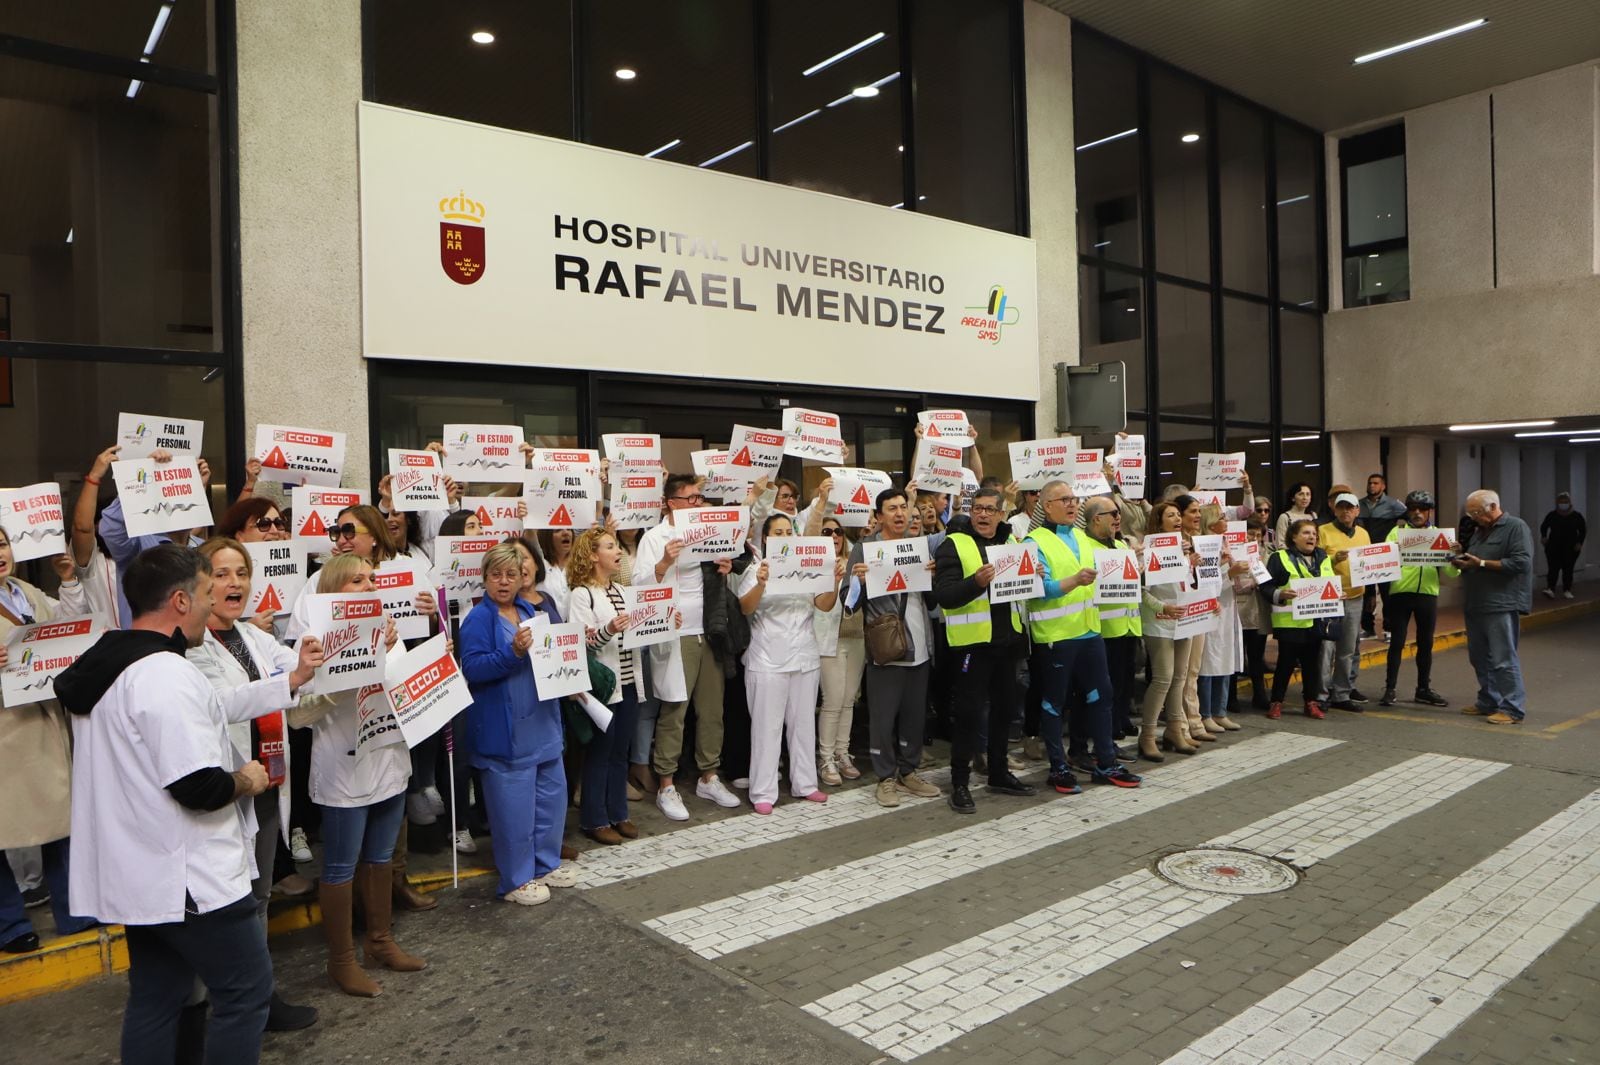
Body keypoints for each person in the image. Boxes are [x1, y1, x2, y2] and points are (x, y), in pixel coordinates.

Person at [57, 545, 273, 1064]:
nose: (211, 604)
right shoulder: (166, 674)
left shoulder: (107, 665)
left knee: (157, 998)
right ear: (179, 600)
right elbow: (198, 787)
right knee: (246, 992)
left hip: (141, 875)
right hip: (189, 877)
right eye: (205, 592)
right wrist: (244, 779)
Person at [187, 537, 322, 1030]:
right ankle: (214, 1004)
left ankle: (259, 998)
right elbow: (229, 699)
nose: (235, 583)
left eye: (241, 573)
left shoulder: (252, 636)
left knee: (259, 895)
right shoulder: (192, 646)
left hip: (267, 782)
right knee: (224, 904)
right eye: (222, 574)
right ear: (200, 584)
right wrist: (292, 678)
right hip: (225, 788)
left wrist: (312, 653)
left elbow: (294, 670)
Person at [288, 553, 421, 997]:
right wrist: (337, 682)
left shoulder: (389, 631)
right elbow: (296, 717)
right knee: (342, 867)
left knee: (381, 858)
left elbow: (405, 691)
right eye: (355, 581)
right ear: (331, 592)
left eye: (371, 579)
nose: (368, 586)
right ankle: (341, 961)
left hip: (388, 760)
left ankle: (380, 941)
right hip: (344, 768)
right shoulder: (312, 640)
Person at [460, 543, 579, 903]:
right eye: (496, 574)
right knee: (513, 811)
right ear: (484, 578)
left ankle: (546, 864)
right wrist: (511, 654)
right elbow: (473, 669)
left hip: (543, 724)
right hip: (505, 731)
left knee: (551, 800)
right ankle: (515, 880)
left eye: (511, 574)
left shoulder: (530, 609)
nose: (503, 581)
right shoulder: (478, 619)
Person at [0, 537, 97, 956]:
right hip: (7, 730)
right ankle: (9, 923)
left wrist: (67, 579)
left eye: (1, 543)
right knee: (5, 828)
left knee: (61, 821)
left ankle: (74, 911)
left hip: (46, 720)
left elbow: (70, 626)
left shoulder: (26, 592)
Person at [633, 474, 742, 821]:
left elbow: (730, 565)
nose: (698, 503)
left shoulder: (709, 530)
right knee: (675, 710)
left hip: (710, 629)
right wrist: (664, 562)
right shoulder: (654, 537)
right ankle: (666, 783)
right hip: (674, 634)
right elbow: (638, 586)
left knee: (712, 710)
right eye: (691, 498)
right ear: (671, 503)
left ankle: (708, 776)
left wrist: (725, 567)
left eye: (699, 498)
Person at [1023, 486, 1141, 794]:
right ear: (1047, 507)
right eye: (1065, 500)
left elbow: (1103, 579)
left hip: (1090, 632)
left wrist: (1132, 565)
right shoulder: (1034, 541)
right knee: (1055, 704)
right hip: (1056, 636)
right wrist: (1074, 580)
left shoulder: (1081, 538)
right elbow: (1038, 589)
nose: (1072, 504)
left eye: (1075, 500)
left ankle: (1105, 761)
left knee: (1102, 695)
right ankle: (1058, 767)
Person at [932, 485, 1037, 814]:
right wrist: (975, 583)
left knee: (1005, 711)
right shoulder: (955, 544)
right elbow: (944, 596)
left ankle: (998, 773)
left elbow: (1022, 588)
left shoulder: (1011, 542)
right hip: (971, 647)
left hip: (1007, 644)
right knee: (968, 715)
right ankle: (960, 782)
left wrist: (1035, 574)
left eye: (990, 509)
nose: (982, 514)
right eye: (977, 508)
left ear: (1001, 513)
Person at [736, 513, 844, 813]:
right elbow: (745, 608)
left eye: (788, 531)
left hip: (804, 656)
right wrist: (761, 583)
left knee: (803, 725)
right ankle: (763, 792)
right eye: (778, 532)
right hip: (767, 658)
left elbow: (824, 604)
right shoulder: (758, 568)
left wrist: (833, 582)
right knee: (766, 728)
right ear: (767, 538)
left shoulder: (808, 565)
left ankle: (806, 784)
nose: (785, 535)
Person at [843, 486, 943, 808]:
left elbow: (931, 600)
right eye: (892, 509)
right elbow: (848, 603)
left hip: (920, 644)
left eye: (903, 507)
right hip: (886, 647)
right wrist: (857, 581)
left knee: (915, 715)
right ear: (879, 515)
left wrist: (933, 576)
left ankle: (908, 771)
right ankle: (885, 777)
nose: (900, 514)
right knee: (884, 717)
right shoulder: (865, 548)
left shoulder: (918, 547)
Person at [567, 529, 659, 843]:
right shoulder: (582, 594)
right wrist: (607, 630)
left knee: (620, 752)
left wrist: (662, 622)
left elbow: (639, 631)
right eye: (610, 546)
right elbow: (581, 642)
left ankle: (618, 814)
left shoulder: (622, 590)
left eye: (617, 545)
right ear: (592, 556)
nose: (617, 550)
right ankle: (594, 819)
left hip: (630, 682)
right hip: (605, 688)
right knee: (600, 753)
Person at [1453, 490, 1535, 724]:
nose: (1473, 517)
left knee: (1503, 658)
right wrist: (1463, 557)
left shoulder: (1516, 527)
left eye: (1476, 512)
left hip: (1500, 603)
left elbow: (1521, 562)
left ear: (1492, 507)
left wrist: (1482, 563)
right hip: (1476, 602)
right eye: (1470, 513)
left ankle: (1512, 708)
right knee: (1479, 657)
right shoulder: (1480, 531)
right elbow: (1477, 563)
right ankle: (1488, 700)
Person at [1379, 492, 1457, 708]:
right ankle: (1390, 689)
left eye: (1422, 509)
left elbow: (1451, 573)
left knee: (1426, 643)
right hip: (1400, 594)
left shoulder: (1439, 535)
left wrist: (1453, 558)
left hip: (1427, 594)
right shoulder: (1397, 532)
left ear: (1429, 511)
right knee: (1397, 643)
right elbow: (1384, 564)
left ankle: (1423, 689)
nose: (1417, 513)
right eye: (1412, 509)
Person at [1137, 501, 1194, 759]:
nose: (1177, 518)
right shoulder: (1149, 550)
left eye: (1178, 514)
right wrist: (1163, 606)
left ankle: (1174, 729)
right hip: (1159, 620)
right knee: (1162, 678)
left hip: (1185, 619)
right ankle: (1147, 735)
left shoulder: (1184, 549)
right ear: (1159, 522)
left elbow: (1186, 585)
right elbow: (1142, 590)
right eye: (1170, 515)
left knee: (1179, 677)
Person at [1262, 519, 1332, 719]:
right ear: (1294, 537)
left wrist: (1336, 594)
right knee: (1285, 664)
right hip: (1290, 622)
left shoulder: (1322, 556)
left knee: (1312, 665)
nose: (1312, 537)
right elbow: (1265, 587)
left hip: (1315, 621)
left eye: (1314, 533)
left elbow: (1328, 583)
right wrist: (1280, 594)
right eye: (1306, 533)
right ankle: (1276, 702)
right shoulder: (1280, 557)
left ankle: (1311, 702)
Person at [814, 510, 864, 786]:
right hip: (827, 639)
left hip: (856, 637)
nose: (833, 536)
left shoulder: (855, 558)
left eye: (838, 532)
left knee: (848, 700)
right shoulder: (813, 564)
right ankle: (826, 758)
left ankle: (843, 753)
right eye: (826, 532)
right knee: (832, 701)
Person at [1085, 498, 1141, 738]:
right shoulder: (1086, 547)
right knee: (1111, 682)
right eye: (1113, 514)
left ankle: (1121, 717)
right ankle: (1110, 726)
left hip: (1129, 626)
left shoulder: (1120, 546)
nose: (1118, 518)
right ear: (1097, 518)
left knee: (1126, 679)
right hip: (1105, 628)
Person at [1317, 489, 1370, 712]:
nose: (1346, 511)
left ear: (1357, 510)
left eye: (1350, 507)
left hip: (1355, 596)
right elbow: (1314, 562)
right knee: (1325, 648)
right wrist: (1332, 558)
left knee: (1348, 649)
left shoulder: (1363, 534)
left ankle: (1341, 694)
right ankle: (1321, 694)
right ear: (1334, 509)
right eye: (1341, 507)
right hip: (1330, 598)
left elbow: (1371, 564)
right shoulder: (1322, 531)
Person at [1358, 474, 1406, 638]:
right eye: (1369, 483)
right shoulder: (1359, 504)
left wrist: (1402, 539)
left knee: (1387, 594)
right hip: (1365, 555)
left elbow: (1411, 519)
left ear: (1383, 486)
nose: (1372, 485)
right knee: (1367, 594)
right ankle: (1368, 628)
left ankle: (1389, 629)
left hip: (1385, 555)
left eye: (1375, 483)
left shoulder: (1394, 504)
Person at [1539, 492, 1586, 599]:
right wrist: (1544, 536)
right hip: (1554, 546)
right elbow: (1544, 526)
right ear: (1557, 503)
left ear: (1569, 503)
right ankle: (1550, 589)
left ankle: (1567, 589)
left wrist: (1580, 543)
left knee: (1568, 569)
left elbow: (1583, 531)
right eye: (1561, 502)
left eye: (1565, 502)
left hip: (1570, 547)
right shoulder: (1552, 515)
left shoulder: (1576, 516)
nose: (1563, 504)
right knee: (1553, 568)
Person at [1274, 482, 1317, 548]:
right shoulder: (1285, 517)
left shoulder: (1313, 515)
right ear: (1293, 498)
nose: (1305, 497)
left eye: (1308, 494)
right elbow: (1280, 543)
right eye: (1301, 494)